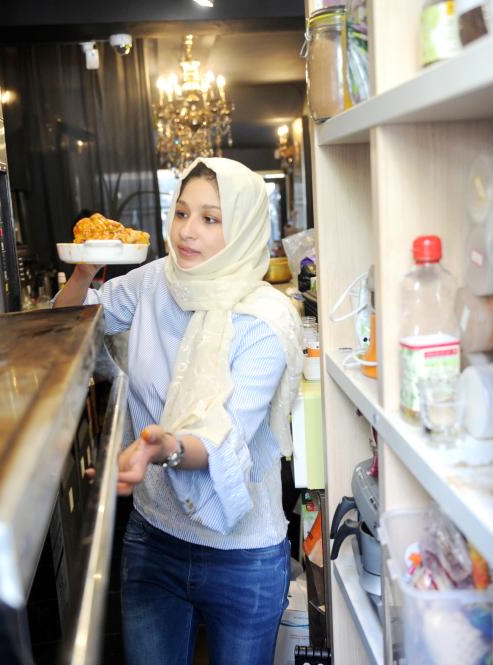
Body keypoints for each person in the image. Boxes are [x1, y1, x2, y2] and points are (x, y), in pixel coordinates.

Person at [54, 157, 303, 665]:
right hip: (154, 537)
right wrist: (83, 269)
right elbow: (66, 329)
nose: (188, 231)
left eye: (211, 219)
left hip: (243, 555)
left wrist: (161, 447)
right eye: (182, 213)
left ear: (243, 227)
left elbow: (220, 440)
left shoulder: (266, 319)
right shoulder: (153, 283)